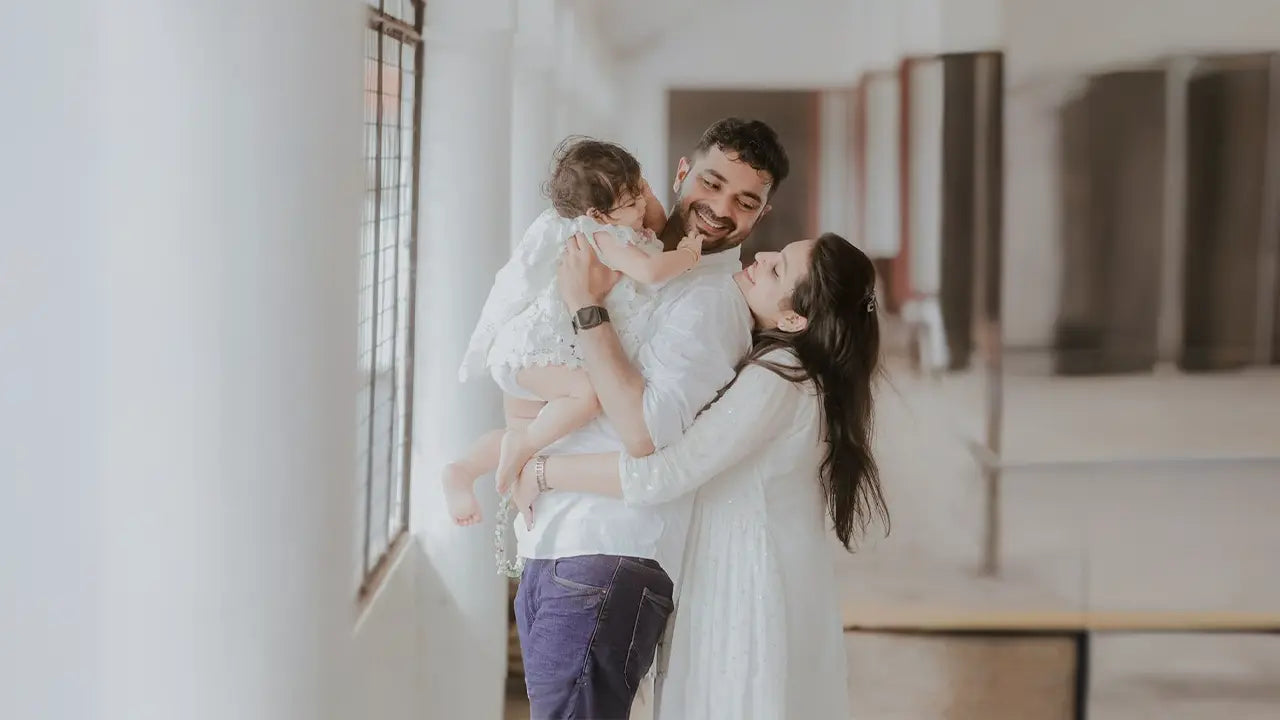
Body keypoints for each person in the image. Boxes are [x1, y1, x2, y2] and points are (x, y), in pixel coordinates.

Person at [513, 232, 890, 719]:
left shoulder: (780, 376)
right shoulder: (803, 377)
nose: (762, 257)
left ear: (794, 319)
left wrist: (544, 471)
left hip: (744, 592)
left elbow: (667, 472)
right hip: (759, 583)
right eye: (778, 253)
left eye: (778, 269)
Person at [504, 118, 790, 718]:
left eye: (745, 201)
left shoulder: (712, 302)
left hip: (607, 555)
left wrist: (585, 305)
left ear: (761, 214)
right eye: (712, 183)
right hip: (562, 542)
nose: (720, 209)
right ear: (682, 172)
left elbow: (644, 432)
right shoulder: (637, 251)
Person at [444, 138, 708, 526]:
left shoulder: (617, 223)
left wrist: (642, 194)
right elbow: (650, 271)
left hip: (538, 354)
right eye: (632, 201)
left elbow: (653, 221)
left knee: (522, 433)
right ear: (597, 214)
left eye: (641, 191)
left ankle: (463, 471)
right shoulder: (602, 236)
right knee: (585, 396)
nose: (643, 205)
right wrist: (688, 255)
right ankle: (521, 446)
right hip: (535, 353)